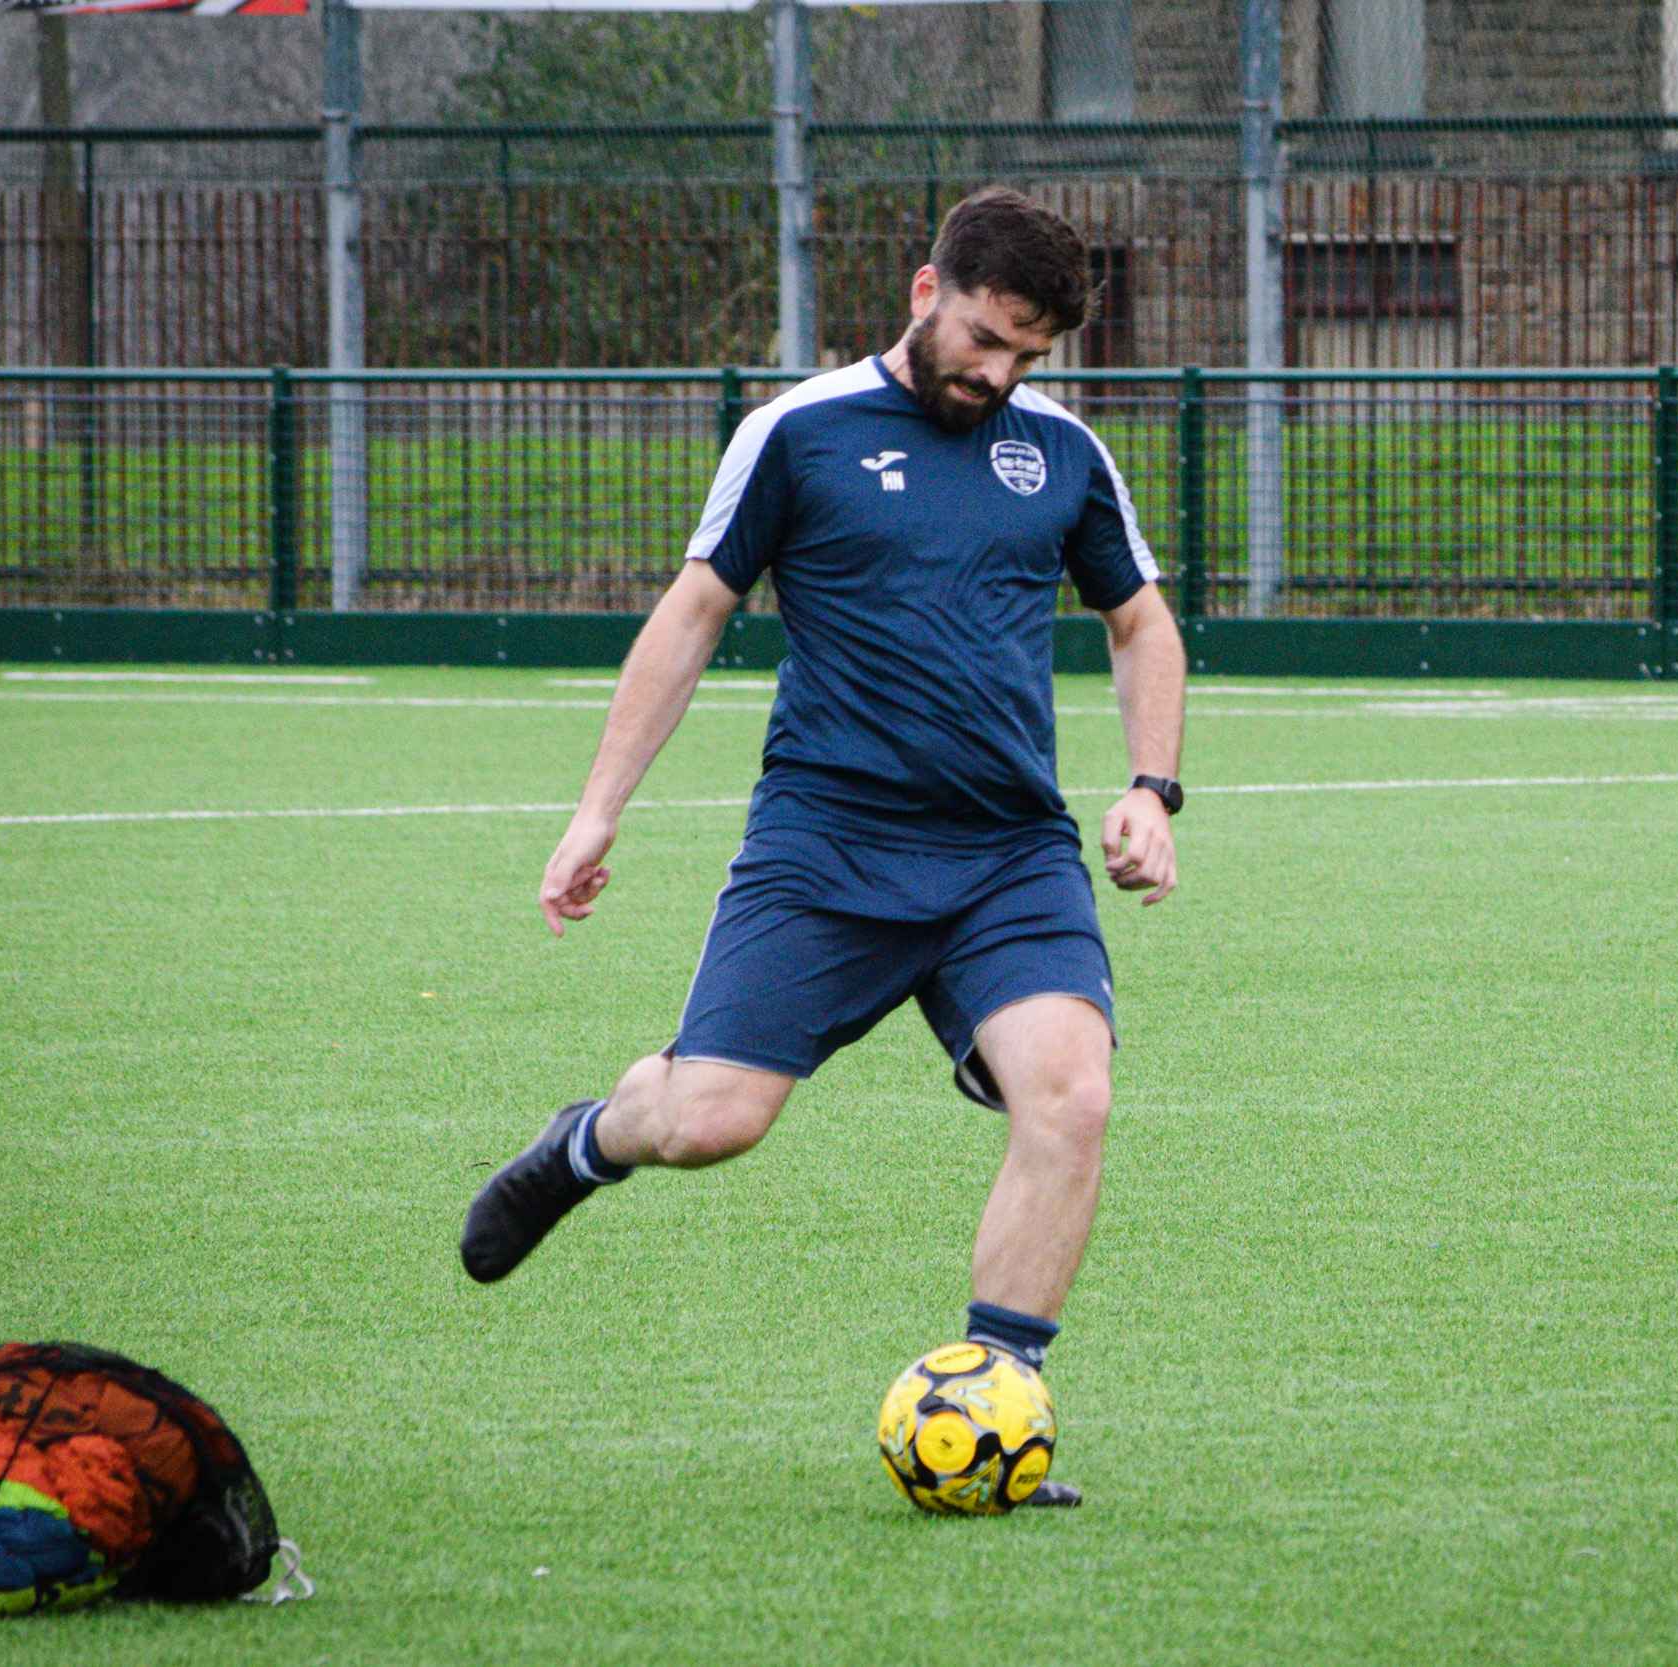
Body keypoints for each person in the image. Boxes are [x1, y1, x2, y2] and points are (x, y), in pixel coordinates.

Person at [460, 188, 1186, 1506]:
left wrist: (1152, 788)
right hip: (828, 851)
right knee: (712, 1123)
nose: (999, 371)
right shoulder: (797, 434)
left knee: (1070, 1097)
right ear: (925, 292)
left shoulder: (1063, 454)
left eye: (1028, 353)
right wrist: (597, 808)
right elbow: (692, 615)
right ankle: (592, 1139)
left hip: (1006, 858)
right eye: (984, 337)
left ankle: (999, 1403)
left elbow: (1141, 622)